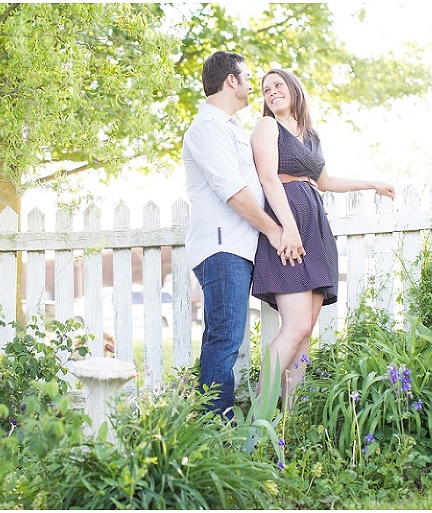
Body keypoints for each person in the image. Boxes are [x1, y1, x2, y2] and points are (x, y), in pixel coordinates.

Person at [250, 68, 396, 409]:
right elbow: (269, 179)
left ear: (294, 89)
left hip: (314, 228)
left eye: (277, 85)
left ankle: (291, 421)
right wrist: (287, 228)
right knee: (295, 326)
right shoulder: (266, 126)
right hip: (289, 227)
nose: (271, 92)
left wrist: (371, 183)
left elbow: (325, 181)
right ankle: (257, 421)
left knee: (305, 331)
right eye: (265, 89)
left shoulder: (311, 135)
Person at [183, 51, 288, 417]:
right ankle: (216, 430)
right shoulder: (207, 129)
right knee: (225, 339)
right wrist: (275, 231)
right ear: (231, 80)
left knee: (223, 337)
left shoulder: (227, 127)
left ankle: (213, 426)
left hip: (236, 248)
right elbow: (233, 192)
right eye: (246, 78)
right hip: (222, 247)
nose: (250, 86)